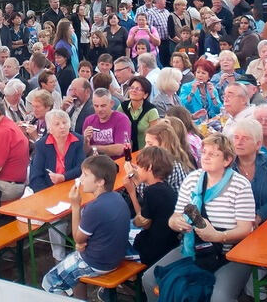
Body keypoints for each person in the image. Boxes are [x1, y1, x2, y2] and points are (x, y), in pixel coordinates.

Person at [143, 132, 256, 302]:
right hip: (194, 249)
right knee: (149, 279)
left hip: (230, 255)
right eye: (204, 152)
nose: (206, 157)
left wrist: (218, 236)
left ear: (227, 160)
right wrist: (177, 222)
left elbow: (246, 229)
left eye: (213, 154)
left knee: (219, 298)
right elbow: (174, 217)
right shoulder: (192, 180)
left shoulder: (240, 185)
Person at [41, 155, 130, 297]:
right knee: (75, 268)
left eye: (86, 175)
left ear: (100, 182)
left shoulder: (94, 207)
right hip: (114, 257)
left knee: (49, 282)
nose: (81, 178)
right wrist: (81, 245)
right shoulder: (117, 197)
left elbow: (78, 239)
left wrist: (75, 207)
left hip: (97, 263)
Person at [29, 109, 86, 261]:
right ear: (49, 128)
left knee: (86, 210)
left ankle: (83, 251)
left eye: (65, 122)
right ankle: (58, 257)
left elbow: (81, 167)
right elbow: (35, 177)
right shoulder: (42, 145)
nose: (62, 127)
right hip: (51, 193)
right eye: (57, 124)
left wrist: (64, 177)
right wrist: (48, 196)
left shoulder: (78, 140)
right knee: (56, 220)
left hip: (74, 188)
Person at [123, 146, 179, 267]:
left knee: (117, 237)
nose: (137, 170)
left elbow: (143, 223)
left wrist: (132, 193)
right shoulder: (164, 187)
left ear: (149, 167)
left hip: (153, 251)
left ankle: (131, 278)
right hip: (169, 244)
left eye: (139, 167)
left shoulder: (152, 191)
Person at [83, 88, 133, 157]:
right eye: (96, 106)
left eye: (103, 106)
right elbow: (84, 151)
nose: (99, 109)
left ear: (111, 104)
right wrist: (85, 141)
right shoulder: (89, 120)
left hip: (115, 163)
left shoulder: (121, 119)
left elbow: (121, 149)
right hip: (95, 163)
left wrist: (94, 148)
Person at [122, 76, 162, 151]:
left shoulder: (151, 110)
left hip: (145, 151)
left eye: (137, 89)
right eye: (132, 88)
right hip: (125, 151)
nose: (133, 90)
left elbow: (155, 135)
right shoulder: (122, 107)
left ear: (145, 95)